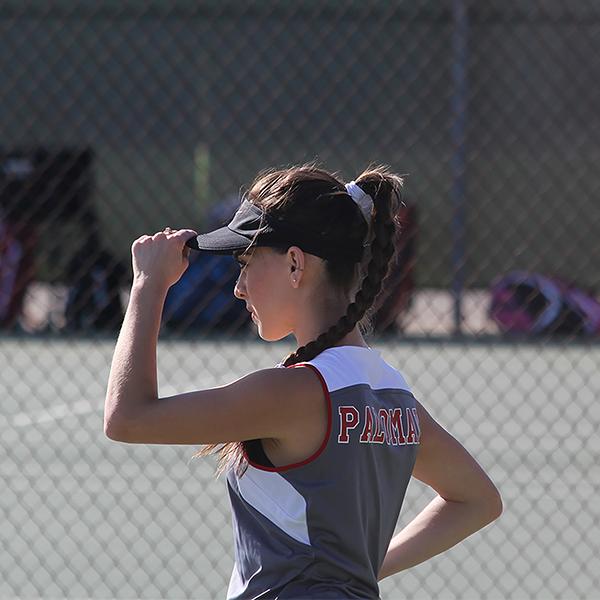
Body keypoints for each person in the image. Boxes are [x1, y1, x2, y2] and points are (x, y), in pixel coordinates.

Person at [104, 164, 502, 599]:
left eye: (246, 262)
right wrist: (361, 570)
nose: (238, 287)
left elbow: (127, 418)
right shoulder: (394, 394)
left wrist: (147, 284)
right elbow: (477, 499)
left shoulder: (293, 393)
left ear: (296, 263)